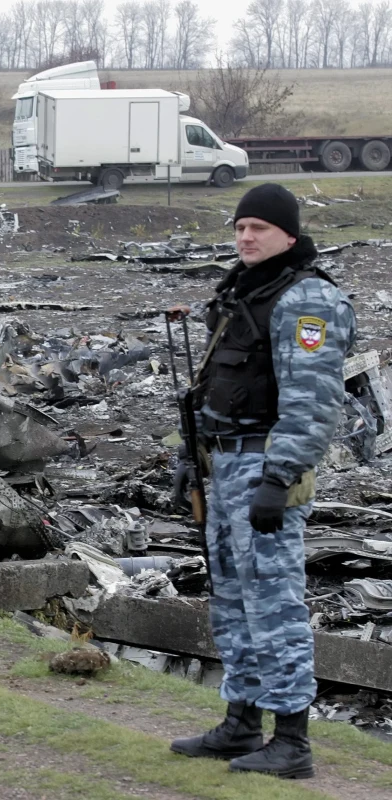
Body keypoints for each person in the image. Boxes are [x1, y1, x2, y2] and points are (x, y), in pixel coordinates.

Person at [169, 183, 356, 779]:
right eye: (240, 226)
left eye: (260, 228)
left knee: (273, 601)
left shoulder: (308, 302)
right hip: (222, 462)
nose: (246, 237)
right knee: (231, 598)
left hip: (265, 464)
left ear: (290, 236)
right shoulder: (243, 292)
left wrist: (279, 479)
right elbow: (211, 388)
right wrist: (189, 460)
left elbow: (313, 401)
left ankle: (292, 741)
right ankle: (241, 723)